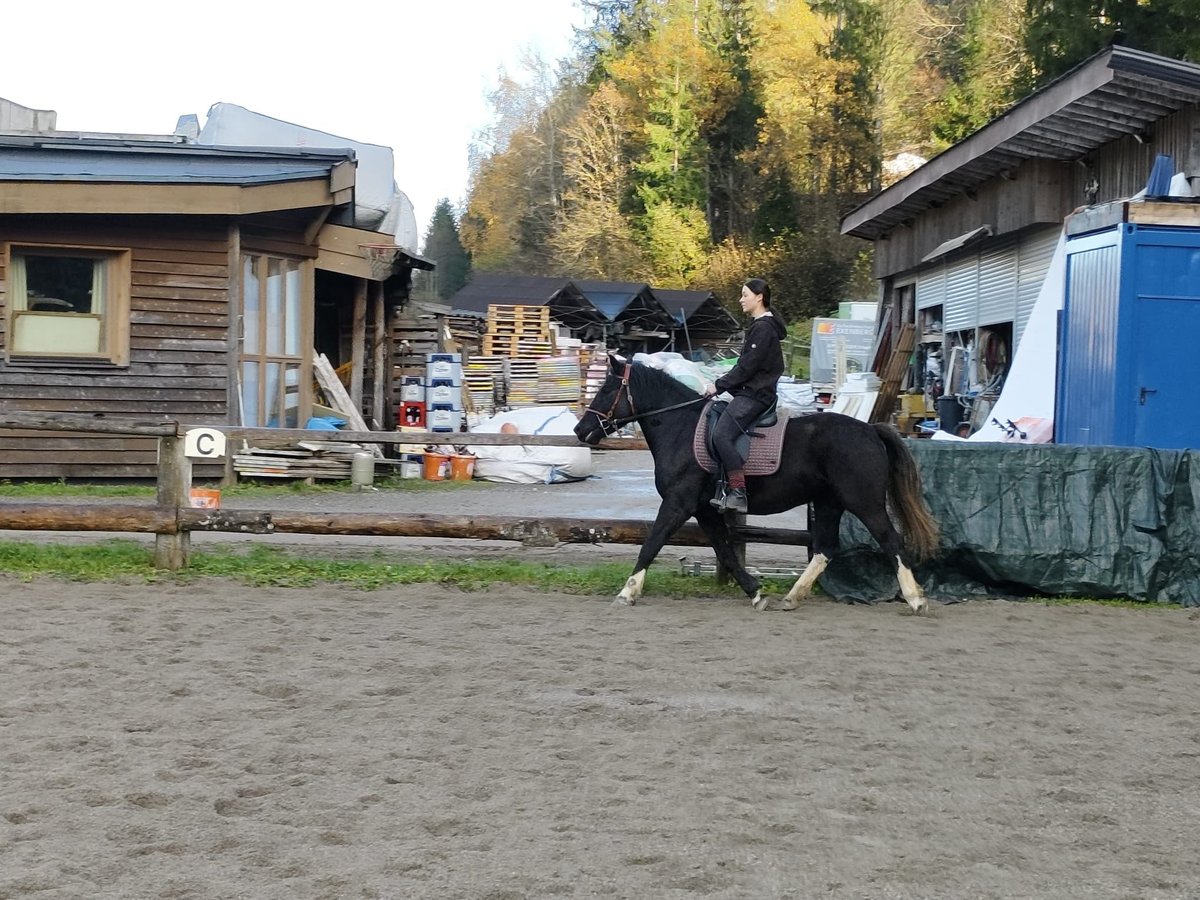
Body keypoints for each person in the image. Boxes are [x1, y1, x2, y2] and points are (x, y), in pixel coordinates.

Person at [704, 278, 787, 513]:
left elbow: (747, 367)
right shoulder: (762, 326)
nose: (741, 299)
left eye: (744, 294)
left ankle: (738, 492)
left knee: (721, 436)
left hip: (756, 395)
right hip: (751, 391)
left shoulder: (763, 328)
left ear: (759, 297)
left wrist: (717, 386)